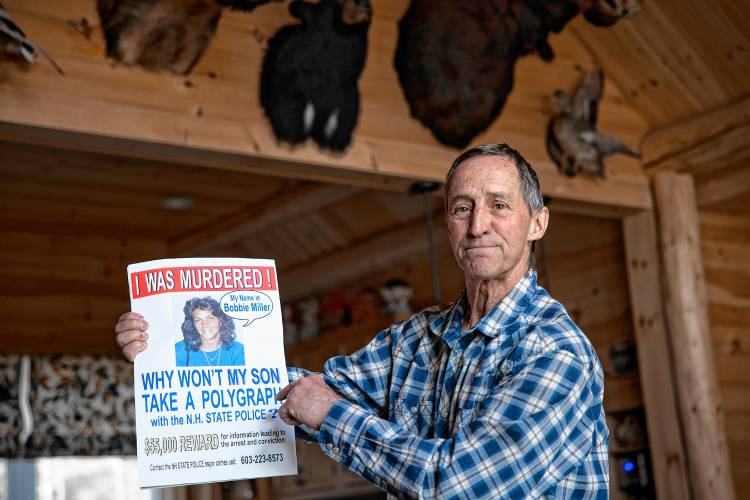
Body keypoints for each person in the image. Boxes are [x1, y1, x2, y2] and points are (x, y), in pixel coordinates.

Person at [116, 144, 608, 498]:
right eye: (463, 208)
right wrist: (164, 352)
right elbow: (289, 394)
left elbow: (457, 487)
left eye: (499, 206)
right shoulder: (417, 338)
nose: (478, 225)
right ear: (449, 225)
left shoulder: (554, 351)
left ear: (537, 223)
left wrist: (330, 414)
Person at [175, 296, 245, 367]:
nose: (205, 325)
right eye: (198, 320)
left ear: (221, 321)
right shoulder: (180, 350)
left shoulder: (238, 350)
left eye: (210, 318)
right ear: (193, 324)